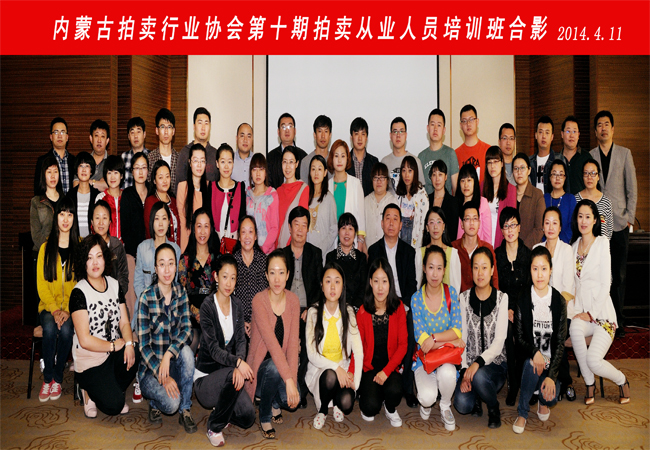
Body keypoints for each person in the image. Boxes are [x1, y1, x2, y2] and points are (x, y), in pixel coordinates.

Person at [70, 234, 139, 417]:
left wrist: (129, 344)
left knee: (136, 351)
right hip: (90, 361)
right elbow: (84, 340)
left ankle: (110, 388)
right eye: (89, 257)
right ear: (83, 262)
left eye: (99, 256)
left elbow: (124, 322)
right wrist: (112, 346)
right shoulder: (78, 293)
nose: (95, 262)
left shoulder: (114, 285)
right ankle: (87, 390)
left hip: (111, 355)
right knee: (114, 406)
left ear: (105, 258)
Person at [569, 199, 630, 405]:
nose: (583, 221)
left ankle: (622, 381)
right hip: (582, 312)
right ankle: (589, 384)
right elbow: (572, 286)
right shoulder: (573, 247)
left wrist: (591, 314)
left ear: (595, 220)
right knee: (575, 327)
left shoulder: (602, 243)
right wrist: (575, 312)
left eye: (588, 217)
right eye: (580, 216)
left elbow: (606, 284)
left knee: (593, 360)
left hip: (602, 314)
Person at [194, 254, 256, 447]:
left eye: (233, 277)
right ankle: (214, 426)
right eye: (225, 276)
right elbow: (213, 349)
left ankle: (222, 410)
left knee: (248, 417)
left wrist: (239, 362)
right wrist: (237, 363)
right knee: (231, 375)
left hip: (229, 374)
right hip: (206, 380)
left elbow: (241, 341)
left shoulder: (237, 305)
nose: (228, 283)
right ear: (216, 277)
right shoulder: (207, 307)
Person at [136, 243, 197, 433]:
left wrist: (169, 354)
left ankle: (185, 410)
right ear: (155, 268)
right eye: (161, 264)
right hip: (150, 371)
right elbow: (143, 346)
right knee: (171, 405)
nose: (167, 270)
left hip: (173, 362)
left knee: (187, 353)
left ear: (176, 267)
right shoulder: (146, 298)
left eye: (171, 263)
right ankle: (154, 403)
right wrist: (162, 375)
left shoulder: (181, 293)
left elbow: (187, 330)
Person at [590, 110, 637, 336]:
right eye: (599, 125)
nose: (603, 128)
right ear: (595, 131)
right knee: (599, 274)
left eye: (606, 124)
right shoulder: (590, 155)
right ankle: (600, 320)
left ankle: (618, 320)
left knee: (618, 275)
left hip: (619, 224)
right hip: (597, 225)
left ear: (613, 128)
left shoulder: (625, 154)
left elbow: (632, 189)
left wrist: (629, 217)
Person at [245, 249, 301, 439]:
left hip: (281, 368)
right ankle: (265, 415)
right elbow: (273, 346)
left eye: (281, 272)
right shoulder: (259, 301)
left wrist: (292, 382)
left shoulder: (293, 300)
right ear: (266, 275)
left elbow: (292, 347)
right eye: (272, 272)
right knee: (275, 368)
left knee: (291, 399)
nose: (277, 279)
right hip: (260, 371)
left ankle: (276, 402)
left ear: (288, 275)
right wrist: (289, 381)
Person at [367, 203, 418, 407]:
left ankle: (407, 386)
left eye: (395, 219)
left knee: (410, 328)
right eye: (387, 218)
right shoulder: (373, 250)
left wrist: (403, 307)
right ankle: (377, 378)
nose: (391, 222)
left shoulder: (408, 251)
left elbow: (412, 284)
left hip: (401, 306)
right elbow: (370, 284)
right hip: (380, 303)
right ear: (381, 223)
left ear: (401, 225)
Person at [512, 246, 567, 434]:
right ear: (530, 270)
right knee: (531, 365)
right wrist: (535, 352)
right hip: (529, 362)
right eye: (535, 269)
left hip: (550, 365)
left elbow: (560, 343)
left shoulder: (558, 301)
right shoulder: (523, 298)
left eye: (544, 269)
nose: (540, 274)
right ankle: (522, 412)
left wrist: (551, 376)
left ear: (551, 270)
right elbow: (519, 337)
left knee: (551, 398)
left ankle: (542, 400)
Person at [454, 247, 509, 428]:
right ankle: (477, 394)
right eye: (476, 267)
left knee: (479, 377)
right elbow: (461, 338)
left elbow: (499, 342)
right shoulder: (463, 298)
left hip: (495, 366)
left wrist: (477, 363)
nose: (480, 273)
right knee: (462, 405)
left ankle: (493, 408)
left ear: (492, 270)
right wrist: (464, 371)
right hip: (470, 366)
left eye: (484, 267)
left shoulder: (502, 299)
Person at [306, 262, 363, 429]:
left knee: (347, 403)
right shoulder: (313, 312)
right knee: (330, 375)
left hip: (342, 368)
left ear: (342, 286)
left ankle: (336, 403)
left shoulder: (349, 312)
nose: (332, 287)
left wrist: (355, 383)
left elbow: (358, 351)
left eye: (337, 282)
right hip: (321, 370)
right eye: (328, 281)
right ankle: (323, 410)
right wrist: (336, 368)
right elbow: (312, 355)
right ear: (321, 285)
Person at [411, 246, 463, 431]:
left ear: (444, 270)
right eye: (431, 267)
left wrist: (434, 338)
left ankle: (445, 405)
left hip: (446, 357)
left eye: (439, 268)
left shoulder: (451, 293)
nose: (435, 273)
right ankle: (427, 402)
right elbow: (423, 342)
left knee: (448, 374)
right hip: (425, 359)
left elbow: (457, 330)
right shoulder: (416, 298)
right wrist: (451, 341)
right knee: (427, 398)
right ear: (424, 268)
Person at [36, 197, 78, 402]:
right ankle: (48, 378)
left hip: (70, 308)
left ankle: (58, 378)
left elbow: (80, 284)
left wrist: (67, 310)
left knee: (67, 331)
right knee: (50, 329)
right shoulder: (45, 248)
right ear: (56, 217)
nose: (66, 219)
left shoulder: (79, 247)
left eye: (69, 214)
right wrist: (54, 310)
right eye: (62, 214)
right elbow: (41, 285)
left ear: (74, 218)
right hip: (48, 307)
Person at [356, 257, 408, 426]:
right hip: (370, 369)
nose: (380, 287)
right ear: (370, 282)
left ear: (390, 283)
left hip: (390, 368)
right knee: (370, 408)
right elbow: (357, 348)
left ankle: (390, 408)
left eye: (384, 281)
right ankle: (375, 396)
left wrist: (386, 371)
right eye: (376, 281)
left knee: (395, 392)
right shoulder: (362, 311)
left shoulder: (398, 307)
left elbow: (403, 345)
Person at [534, 206, 576, 402]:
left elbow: (568, 287)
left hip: (562, 310)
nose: (550, 227)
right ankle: (545, 381)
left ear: (560, 227)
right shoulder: (537, 249)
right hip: (539, 309)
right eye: (547, 223)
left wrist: (554, 312)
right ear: (542, 226)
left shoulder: (567, 250)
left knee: (555, 335)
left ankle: (562, 381)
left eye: (555, 223)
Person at [283, 206, 324, 407]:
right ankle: (287, 385)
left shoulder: (315, 253)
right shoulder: (281, 255)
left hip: (308, 311)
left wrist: (312, 308)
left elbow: (320, 288)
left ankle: (300, 386)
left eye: (304, 225)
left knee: (309, 344)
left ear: (308, 229)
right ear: (289, 227)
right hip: (286, 310)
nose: (300, 229)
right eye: (296, 224)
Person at [494, 207, 531, 406]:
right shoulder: (496, 255)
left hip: (524, 309)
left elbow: (531, 289)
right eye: (506, 226)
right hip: (503, 310)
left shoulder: (528, 255)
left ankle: (527, 382)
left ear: (519, 227)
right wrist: (506, 309)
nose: (510, 230)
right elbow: (495, 289)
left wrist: (518, 311)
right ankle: (513, 383)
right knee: (508, 331)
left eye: (513, 225)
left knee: (524, 329)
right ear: (501, 230)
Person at [178, 208, 219, 352]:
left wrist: (207, 315)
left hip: (213, 317)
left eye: (206, 226)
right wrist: (196, 314)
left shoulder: (218, 259)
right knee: (193, 340)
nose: (202, 232)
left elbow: (222, 294)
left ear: (211, 229)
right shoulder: (185, 260)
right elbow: (181, 295)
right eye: (199, 226)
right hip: (190, 318)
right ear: (193, 229)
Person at [120, 152, 150, 324]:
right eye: (137, 168)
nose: (140, 171)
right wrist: (138, 253)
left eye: (143, 168)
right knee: (135, 294)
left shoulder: (153, 192)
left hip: (153, 252)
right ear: (132, 171)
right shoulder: (127, 195)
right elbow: (125, 231)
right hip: (133, 253)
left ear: (148, 171)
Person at [134, 202, 182, 304]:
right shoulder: (142, 248)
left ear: (169, 222)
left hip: (167, 304)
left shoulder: (176, 250)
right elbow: (138, 282)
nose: (160, 224)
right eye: (156, 219)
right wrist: (149, 303)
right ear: (152, 222)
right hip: (145, 304)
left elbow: (174, 282)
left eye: (164, 218)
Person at [327, 140, 367, 252]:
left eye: (343, 156)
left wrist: (360, 243)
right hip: (332, 244)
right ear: (331, 159)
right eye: (336, 156)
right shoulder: (327, 186)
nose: (339, 160)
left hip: (352, 243)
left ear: (347, 159)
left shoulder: (355, 183)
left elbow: (361, 217)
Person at [232, 215, 269, 336]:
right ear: (239, 237)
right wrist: (239, 321)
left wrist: (257, 322)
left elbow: (268, 295)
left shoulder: (264, 261)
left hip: (261, 322)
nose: (247, 236)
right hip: (236, 323)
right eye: (243, 232)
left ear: (256, 236)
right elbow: (227, 296)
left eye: (250, 232)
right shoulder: (232, 263)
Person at [451, 203, 499, 294]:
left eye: (475, 219)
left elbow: (494, 280)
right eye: (467, 219)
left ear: (479, 223)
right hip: (457, 300)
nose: (471, 223)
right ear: (462, 224)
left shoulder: (487, 248)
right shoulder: (453, 248)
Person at [326, 213, 368, 310]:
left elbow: (364, 287)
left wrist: (353, 308)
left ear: (355, 233)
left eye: (350, 229)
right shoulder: (331, 257)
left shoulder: (361, 258)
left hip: (356, 309)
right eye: (343, 228)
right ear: (338, 231)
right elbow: (328, 286)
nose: (347, 233)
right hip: (335, 308)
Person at [415, 207, 461, 293]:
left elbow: (456, 287)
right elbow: (417, 284)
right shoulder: (419, 253)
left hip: (447, 300)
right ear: (427, 227)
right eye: (432, 222)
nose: (435, 227)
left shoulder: (453, 254)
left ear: (443, 226)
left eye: (439, 222)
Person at [91, 200, 129, 297]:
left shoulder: (117, 245)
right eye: (97, 218)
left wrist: (115, 296)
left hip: (115, 297)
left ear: (109, 222)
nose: (101, 222)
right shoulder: (87, 246)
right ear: (92, 222)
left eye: (104, 218)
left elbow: (123, 277)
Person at [176, 143, 209, 252]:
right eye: (195, 161)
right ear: (190, 162)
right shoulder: (182, 187)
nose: (199, 165)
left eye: (202, 161)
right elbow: (182, 222)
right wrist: (185, 250)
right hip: (188, 245)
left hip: (206, 246)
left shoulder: (209, 186)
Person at [175, 107, 218, 191]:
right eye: (200, 123)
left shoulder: (215, 154)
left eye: (206, 123)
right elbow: (179, 184)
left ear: (210, 127)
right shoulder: (185, 152)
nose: (203, 128)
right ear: (194, 126)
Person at [418, 108, 459, 195]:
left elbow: (456, 188)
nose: (435, 129)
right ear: (428, 128)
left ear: (444, 130)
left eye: (439, 125)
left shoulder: (450, 154)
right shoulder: (421, 156)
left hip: (446, 203)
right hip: (426, 203)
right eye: (432, 124)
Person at [483, 146, 517, 248]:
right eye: (489, 162)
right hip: (484, 240)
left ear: (502, 163)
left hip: (502, 241)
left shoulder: (511, 190)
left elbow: (511, 221)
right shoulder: (481, 187)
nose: (492, 166)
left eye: (495, 162)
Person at [246, 153, 279, 254]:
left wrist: (263, 249)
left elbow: (274, 228)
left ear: (266, 172)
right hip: (248, 250)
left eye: (261, 169)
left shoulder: (272, 195)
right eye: (254, 169)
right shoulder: (247, 194)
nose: (258, 174)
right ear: (251, 173)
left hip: (267, 252)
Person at [276, 146, 309, 248]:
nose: (287, 167)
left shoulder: (303, 188)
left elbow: (301, 221)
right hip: (277, 246)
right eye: (285, 162)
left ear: (297, 164)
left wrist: (289, 247)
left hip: (294, 246)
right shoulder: (277, 191)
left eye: (291, 162)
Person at [31, 155, 63, 258]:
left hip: (62, 252)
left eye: (55, 172)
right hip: (42, 253)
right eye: (49, 172)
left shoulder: (65, 200)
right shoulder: (36, 202)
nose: (53, 176)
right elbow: (36, 234)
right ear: (43, 175)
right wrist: (49, 249)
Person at [34, 117, 76, 195]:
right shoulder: (42, 161)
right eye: (56, 132)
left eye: (62, 132)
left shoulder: (75, 161)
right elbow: (38, 190)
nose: (59, 136)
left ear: (67, 137)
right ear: (51, 137)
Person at [307, 154, 337, 259]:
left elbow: (333, 230)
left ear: (325, 173)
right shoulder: (305, 197)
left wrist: (319, 251)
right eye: (313, 169)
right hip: (307, 253)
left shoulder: (329, 198)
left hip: (323, 254)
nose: (316, 173)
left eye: (319, 169)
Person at [381, 117, 425, 190]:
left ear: (406, 135)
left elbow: (421, 189)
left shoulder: (416, 161)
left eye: (401, 131)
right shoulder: (384, 162)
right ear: (390, 136)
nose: (398, 135)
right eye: (395, 132)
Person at [144, 160, 180, 246]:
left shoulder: (173, 200)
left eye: (167, 176)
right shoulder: (150, 201)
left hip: (176, 249)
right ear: (154, 180)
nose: (165, 181)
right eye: (160, 177)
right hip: (158, 250)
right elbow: (149, 231)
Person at [512, 153, 545, 248]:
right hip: (510, 248)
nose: (519, 172)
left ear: (529, 170)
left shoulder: (537, 194)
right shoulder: (509, 194)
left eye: (522, 168)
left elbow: (539, 228)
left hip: (530, 249)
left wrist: (523, 249)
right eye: (516, 168)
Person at [575, 159, 614, 240]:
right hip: (580, 245)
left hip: (601, 246)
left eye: (593, 173)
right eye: (586, 173)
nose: (589, 177)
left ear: (598, 177)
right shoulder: (575, 200)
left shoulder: (606, 202)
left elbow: (609, 231)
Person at [396, 156, 429, 249]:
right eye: (404, 170)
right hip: (399, 242)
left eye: (410, 171)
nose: (406, 175)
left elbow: (423, 222)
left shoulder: (422, 194)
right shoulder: (397, 195)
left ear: (415, 172)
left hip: (416, 242)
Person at [267, 113, 307, 189]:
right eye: (283, 127)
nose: (287, 130)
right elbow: (268, 185)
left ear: (295, 131)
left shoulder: (303, 156)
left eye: (290, 126)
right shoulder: (270, 157)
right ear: (278, 132)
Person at [66, 152, 99, 238]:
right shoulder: (70, 195)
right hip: (74, 241)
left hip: (92, 241)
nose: (84, 170)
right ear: (76, 170)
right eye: (81, 166)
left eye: (87, 166)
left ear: (91, 171)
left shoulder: (97, 195)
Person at [455, 163, 491, 243]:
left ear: (475, 182)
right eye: (462, 181)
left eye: (469, 180)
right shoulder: (455, 204)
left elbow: (487, 236)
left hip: (479, 249)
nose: (466, 185)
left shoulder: (483, 203)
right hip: (459, 249)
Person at [364, 162, 397, 249]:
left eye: (382, 177)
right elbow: (361, 229)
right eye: (376, 178)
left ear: (387, 180)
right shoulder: (365, 201)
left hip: (388, 250)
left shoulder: (393, 201)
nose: (379, 181)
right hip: (368, 249)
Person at [544, 160, 577, 244]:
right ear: (550, 177)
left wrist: (559, 244)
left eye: (561, 174)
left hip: (564, 245)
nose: (557, 178)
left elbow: (572, 226)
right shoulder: (543, 198)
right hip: (545, 244)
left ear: (565, 178)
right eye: (554, 174)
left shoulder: (570, 199)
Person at [147, 108, 179, 195]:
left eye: (169, 127)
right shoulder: (150, 159)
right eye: (162, 127)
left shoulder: (180, 159)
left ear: (173, 131)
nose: (166, 131)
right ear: (157, 130)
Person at [455, 105, 490, 181]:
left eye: (471, 119)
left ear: (477, 121)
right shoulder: (455, 154)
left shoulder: (488, 150)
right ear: (460, 125)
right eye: (464, 121)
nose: (468, 124)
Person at [557, 115, 591, 194]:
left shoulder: (586, 158)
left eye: (574, 131)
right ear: (562, 134)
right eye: (568, 131)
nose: (571, 135)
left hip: (582, 201)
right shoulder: (556, 159)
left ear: (578, 135)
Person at [95, 155, 125, 242]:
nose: (112, 177)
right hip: (105, 244)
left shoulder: (127, 197)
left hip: (125, 246)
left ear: (121, 175)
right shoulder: (100, 198)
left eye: (116, 173)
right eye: (109, 173)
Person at [347, 117, 379, 197]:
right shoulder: (345, 161)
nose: (360, 138)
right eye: (356, 134)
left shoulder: (374, 162)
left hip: (369, 204)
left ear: (366, 138)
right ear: (351, 137)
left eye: (363, 134)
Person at [428, 160, 459, 240]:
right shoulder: (426, 200)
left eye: (440, 174)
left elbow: (453, 231)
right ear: (431, 178)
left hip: (447, 245)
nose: (437, 179)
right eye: (434, 175)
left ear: (445, 177)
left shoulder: (453, 202)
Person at [529, 116, 559, 193]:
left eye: (547, 133)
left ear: (552, 137)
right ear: (536, 135)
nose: (544, 136)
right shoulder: (529, 162)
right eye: (540, 132)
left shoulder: (559, 160)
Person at [300, 115, 332, 183]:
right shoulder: (306, 162)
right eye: (320, 131)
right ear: (315, 135)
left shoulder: (335, 161)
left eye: (326, 131)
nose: (323, 136)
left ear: (330, 135)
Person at [121, 117, 149, 189]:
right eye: (132, 132)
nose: (135, 136)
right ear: (128, 136)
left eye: (138, 132)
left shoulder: (151, 156)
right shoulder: (123, 157)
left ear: (144, 134)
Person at [84, 119, 110, 192]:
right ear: (91, 139)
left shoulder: (112, 162)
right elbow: (76, 185)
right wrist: (99, 183)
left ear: (107, 141)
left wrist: (86, 181)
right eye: (96, 135)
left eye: (102, 136)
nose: (99, 140)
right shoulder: (83, 161)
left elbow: (109, 186)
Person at [232, 123, 254, 189]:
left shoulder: (256, 160)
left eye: (249, 136)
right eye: (242, 136)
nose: (245, 140)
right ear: (236, 138)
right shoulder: (230, 160)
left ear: (252, 140)